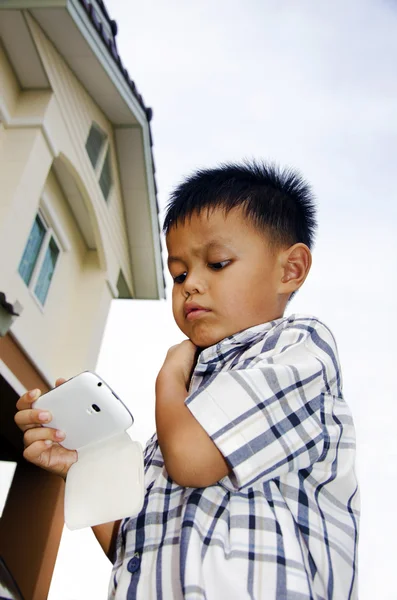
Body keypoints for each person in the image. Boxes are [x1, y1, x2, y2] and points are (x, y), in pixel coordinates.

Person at [15, 161, 360, 599]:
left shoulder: (297, 349)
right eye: (178, 273)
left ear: (289, 270)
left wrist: (169, 374)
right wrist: (77, 465)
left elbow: (192, 462)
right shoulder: (179, 418)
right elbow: (132, 543)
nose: (190, 284)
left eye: (216, 263)